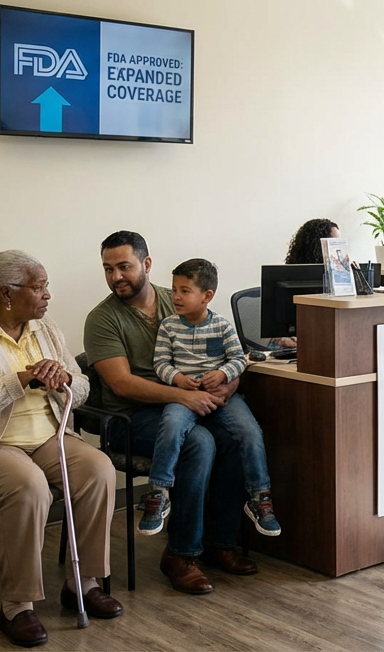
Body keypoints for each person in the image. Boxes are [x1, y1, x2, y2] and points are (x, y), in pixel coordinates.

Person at [0, 251, 121, 647]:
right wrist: (21, 380)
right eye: (39, 287)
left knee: (99, 469)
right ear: (7, 293)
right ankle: (17, 605)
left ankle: (82, 583)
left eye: (46, 285)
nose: (48, 295)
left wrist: (64, 376)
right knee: (29, 486)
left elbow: (81, 388)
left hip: (49, 437)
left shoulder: (45, 328)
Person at [85, 231, 265, 595]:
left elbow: (225, 353)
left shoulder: (181, 300)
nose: (116, 276)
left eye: (124, 266)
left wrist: (227, 385)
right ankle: (180, 554)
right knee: (198, 443)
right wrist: (183, 398)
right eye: (108, 269)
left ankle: (220, 542)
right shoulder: (102, 319)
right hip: (130, 418)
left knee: (232, 436)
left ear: (147, 265)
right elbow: (121, 385)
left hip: (188, 404)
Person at [144, 258, 282, 539]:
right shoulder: (169, 326)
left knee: (250, 432)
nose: (176, 297)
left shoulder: (221, 325)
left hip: (222, 397)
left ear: (207, 296)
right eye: (174, 290)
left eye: (185, 291)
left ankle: (259, 497)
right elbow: (160, 363)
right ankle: (159, 493)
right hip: (184, 396)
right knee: (170, 426)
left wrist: (221, 374)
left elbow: (238, 359)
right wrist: (177, 379)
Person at [273, 217, 341, 348]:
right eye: (334, 243)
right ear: (317, 246)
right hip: (296, 347)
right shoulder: (288, 278)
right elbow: (275, 328)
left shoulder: (341, 276)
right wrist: (282, 338)